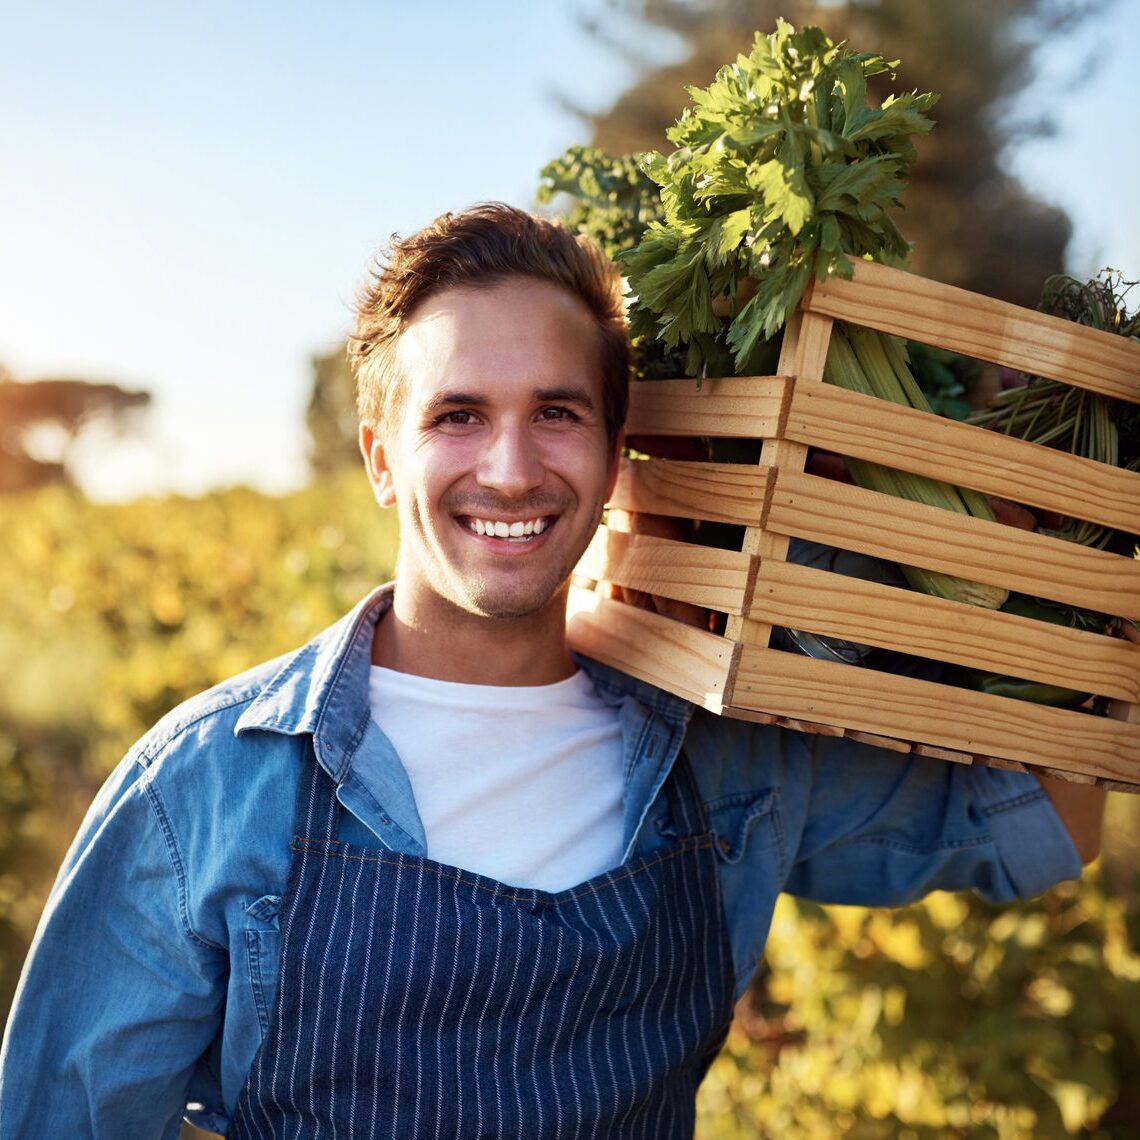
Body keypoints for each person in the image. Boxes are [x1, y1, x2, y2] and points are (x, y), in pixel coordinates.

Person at [0, 204, 1104, 1138]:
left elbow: (1040, 828)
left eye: (558, 414)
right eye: (459, 415)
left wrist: (1066, 558)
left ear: (617, 453)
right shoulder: (205, 789)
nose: (512, 468)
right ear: (383, 459)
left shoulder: (720, 758)